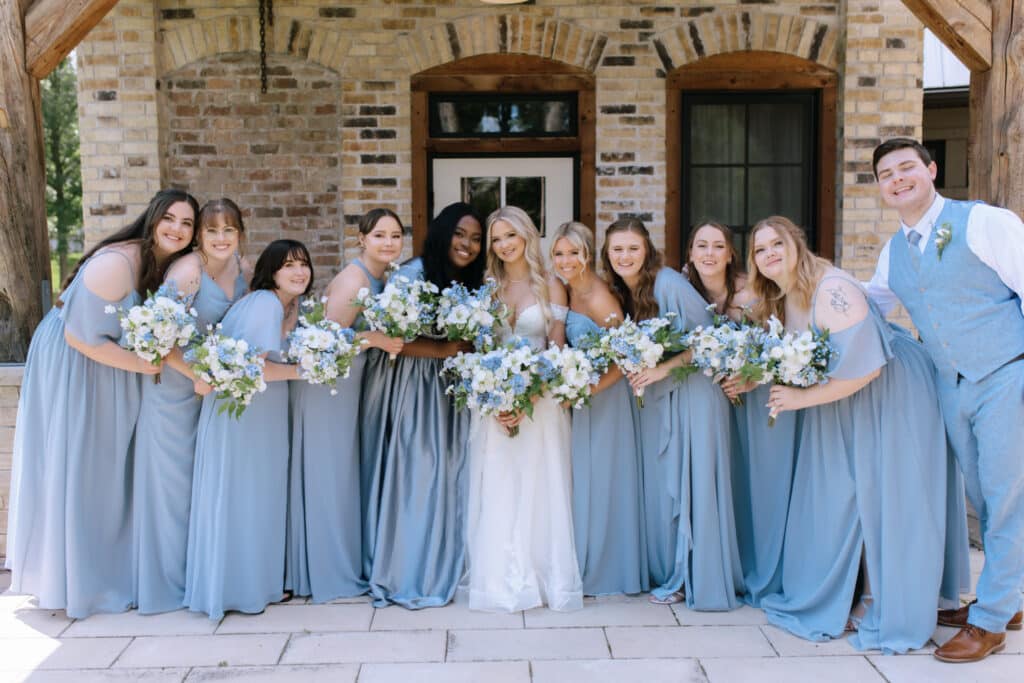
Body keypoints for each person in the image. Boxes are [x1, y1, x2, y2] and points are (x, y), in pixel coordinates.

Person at [751, 216, 962, 653]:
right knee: (849, 494)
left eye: (777, 243)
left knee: (885, 496)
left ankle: (881, 601)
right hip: (846, 398)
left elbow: (867, 367)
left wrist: (799, 400)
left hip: (892, 390)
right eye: (759, 249)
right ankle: (850, 589)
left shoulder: (832, 290)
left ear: (797, 243)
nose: (769, 253)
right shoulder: (782, 295)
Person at [5, 189, 197, 618]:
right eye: (170, 219)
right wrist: (148, 367)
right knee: (83, 463)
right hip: (76, 363)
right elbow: (81, 337)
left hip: (107, 360)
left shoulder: (163, 264)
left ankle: (107, 569)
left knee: (106, 469)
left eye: (187, 224)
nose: (178, 230)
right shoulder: (118, 263)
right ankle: (81, 583)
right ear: (151, 220)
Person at [866, 137, 1022, 662]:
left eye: (907, 167)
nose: (898, 178)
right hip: (950, 386)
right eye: (887, 174)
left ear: (931, 170)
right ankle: (1011, 596)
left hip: (1006, 373)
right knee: (983, 494)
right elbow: (870, 308)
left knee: (1006, 499)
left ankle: (991, 620)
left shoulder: (985, 222)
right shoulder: (894, 253)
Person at [601, 217, 742, 609]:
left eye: (633, 248)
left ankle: (695, 576)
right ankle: (674, 569)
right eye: (617, 249)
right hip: (664, 395)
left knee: (692, 482)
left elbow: (710, 341)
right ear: (607, 255)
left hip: (696, 394)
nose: (625, 256)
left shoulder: (667, 284)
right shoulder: (624, 291)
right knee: (670, 485)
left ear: (647, 249)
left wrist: (660, 369)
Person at [463, 206, 583, 612]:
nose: (504, 245)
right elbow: (479, 349)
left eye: (510, 235)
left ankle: (544, 578)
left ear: (527, 236)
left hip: (541, 401)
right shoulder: (486, 286)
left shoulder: (552, 284)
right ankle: (498, 581)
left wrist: (529, 395)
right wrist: (496, 397)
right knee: (497, 485)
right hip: (493, 402)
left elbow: (557, 347)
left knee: (539, 484)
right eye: (496, 239)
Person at [184, 239, 311, 620]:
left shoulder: (282, 306)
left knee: (254, 497)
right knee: (246, 496)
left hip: (257, 412)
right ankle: (242, 588)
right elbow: (255, 368)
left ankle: (255, 582)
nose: (298, 271)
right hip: (246, 415)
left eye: (303, 264)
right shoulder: (267, 304)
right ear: (272, 271)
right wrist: (306, 371)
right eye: (288, 265)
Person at [134, 198, 250, 614]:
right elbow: (156, 340)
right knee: (174, 489)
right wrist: (198, 376)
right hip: (174, 392)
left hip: (211, 393)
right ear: (200, 235)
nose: (222, 239)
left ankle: (203, 574)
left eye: (230, 231)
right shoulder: (187, 272)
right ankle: (168, 583)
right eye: (213, 231)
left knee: (206, 487)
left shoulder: (242, 269)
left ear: (240, 234)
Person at [366, 202, 485, 608]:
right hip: (417, 389)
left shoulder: (469, 280)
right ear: (441, 232)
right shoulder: (413, 276)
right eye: (459, 234)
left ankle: (449, 559)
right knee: (420, 473)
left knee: (453, 474)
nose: (467, 244)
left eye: (475, 238)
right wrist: (445, 348)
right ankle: (409, 569)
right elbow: (390, 338)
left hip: (453, 390)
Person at [285, 208, 406, 604]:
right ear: (361, 239)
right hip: (329, 385)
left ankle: (340, 561)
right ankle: (327, 571)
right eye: (379, 236)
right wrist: (373, 337)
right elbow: (325, 345)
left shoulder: (383, 276)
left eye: (395, 236)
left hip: (350, 381)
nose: (388, 243)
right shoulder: (355, 279)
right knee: (330, 473)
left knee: (343, 472)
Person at [684, 221, 799, 606]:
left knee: (762, 481)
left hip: (759, 395)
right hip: (720, 405)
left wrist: (751, 378)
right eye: (702, 245)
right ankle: (731, 563)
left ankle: (768, 567)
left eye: (719, 246)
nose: (709, 254)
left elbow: (779, 344)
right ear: (690, 252)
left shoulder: (749, 292)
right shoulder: (687, 290)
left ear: (731, 254)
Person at [551, 221, 648, 596]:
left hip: (605, 398)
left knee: (604, 479)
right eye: (559, 253)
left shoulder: (599, 297)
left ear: (588, 253)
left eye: (574, 253)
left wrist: (588, 388)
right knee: (583, 480)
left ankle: (610, 569)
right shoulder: (565, 288)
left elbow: (626, 360)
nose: (566, 260)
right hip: (582, 397)